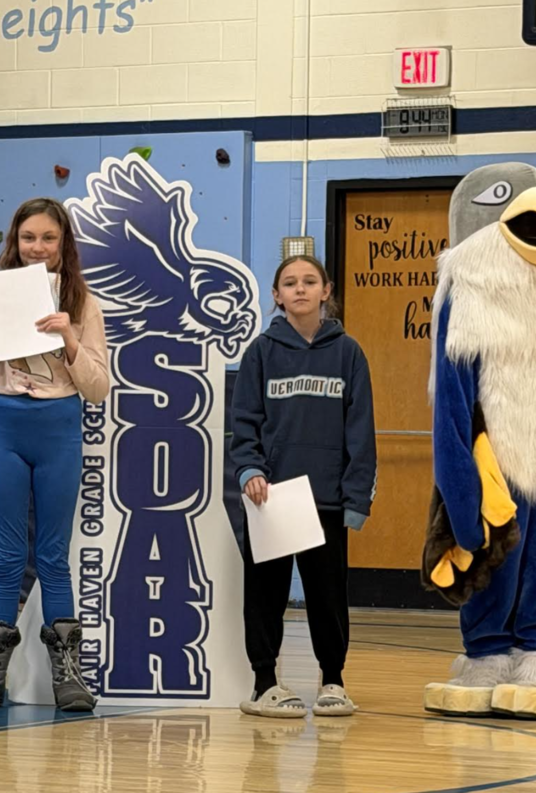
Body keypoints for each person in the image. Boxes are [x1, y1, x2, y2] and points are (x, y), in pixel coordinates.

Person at [0, 197, 110, 712]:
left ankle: (67, 673)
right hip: (5, 425)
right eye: (27, 238)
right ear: (14, 243)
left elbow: (97, 388)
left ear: (63, 244)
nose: (37, 247)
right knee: (6, 555)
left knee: (52, 555)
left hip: (58, 427)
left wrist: (67, 334)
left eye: (48, 238)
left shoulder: (84, 304)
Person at [229, 255, 377, 719]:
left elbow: (361, 431)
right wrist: (249, 470)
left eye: (309, 281)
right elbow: (244, 423)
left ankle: (332, 680)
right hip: (271, 499)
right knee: (266, 595)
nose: (300, 289)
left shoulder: (348, 352)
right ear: (276, 295)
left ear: (326, 291)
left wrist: (355, 499)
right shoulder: (261, 352)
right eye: (289, 283)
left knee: (328, 597)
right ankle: (264, 683)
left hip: (326, 501)